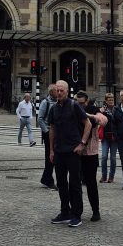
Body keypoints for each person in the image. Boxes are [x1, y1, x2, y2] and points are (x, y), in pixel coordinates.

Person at [48, 79, 91, 228]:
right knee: (61, 183)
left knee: (74, 183)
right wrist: (51, 150)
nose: (59, 93)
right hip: (59, 151)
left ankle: (76, 214)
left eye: (62, 90)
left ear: (67, 91)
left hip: (73, 151)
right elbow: (52, 129)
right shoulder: (53, 108)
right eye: (57, 90)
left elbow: (88, 123)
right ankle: (65, 212)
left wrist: (82, 143)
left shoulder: (74, 106)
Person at [75, 91, 107, 222]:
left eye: (82, 103)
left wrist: (87, 115)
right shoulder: (73, 108)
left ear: (87, 102)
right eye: (78, 103)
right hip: (76, 152)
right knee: (75, 183)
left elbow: (103, 121)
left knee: (91, 183)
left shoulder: (93, 109)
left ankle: (95, 211)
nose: (80, 106)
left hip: (90, 153)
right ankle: (76, 211)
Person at [38, 84, 58, 188]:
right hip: (48, 132)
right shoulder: (45, 102)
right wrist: (46, 132)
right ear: (51, 92)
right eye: (56, 90)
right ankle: (48, 180)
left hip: (56, 133)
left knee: (54, 156)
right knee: (50, 156)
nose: (58, 92)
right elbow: (40, 118)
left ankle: (46, 178)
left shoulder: (58, 101)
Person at [99, 92, 118, 183]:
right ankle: (104, 176)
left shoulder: (117, 109)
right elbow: (98, 119)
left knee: (113, 158)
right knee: (104, 156)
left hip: (114, 137)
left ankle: (111, 176)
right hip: (105, 136)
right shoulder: (103, 110)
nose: (111, 101)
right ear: (106, 101)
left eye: (112, 99)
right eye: (109, 100)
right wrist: (100, 111)